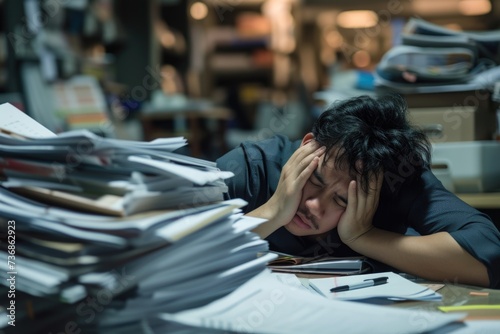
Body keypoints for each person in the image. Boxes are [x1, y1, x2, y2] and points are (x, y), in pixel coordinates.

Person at [216, 94, 500, 288]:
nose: (313, 206)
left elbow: (487, 256)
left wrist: (365, 237)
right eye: (315, 179)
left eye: (342, 199)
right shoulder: (250, 168)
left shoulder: (393, 179)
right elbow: (174, 253)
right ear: (307, 145)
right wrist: (273, 211)